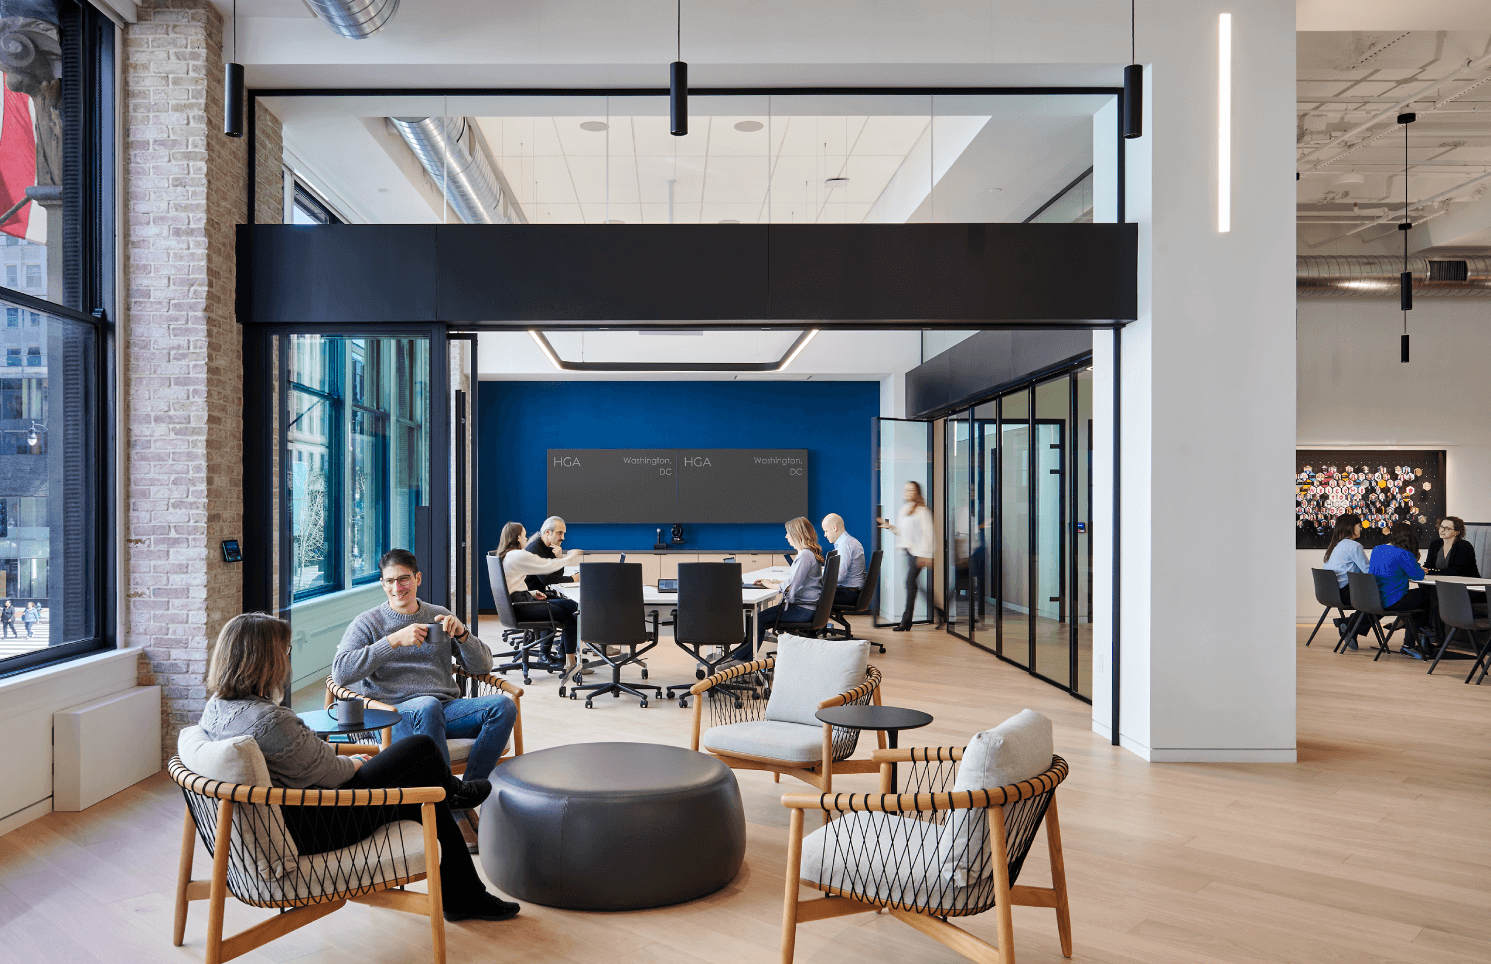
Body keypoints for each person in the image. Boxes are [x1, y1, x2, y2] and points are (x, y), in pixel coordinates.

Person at [198, 612, 519, 922]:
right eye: (285, 651)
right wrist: (354, 761)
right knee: (419, 751)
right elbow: (332, 772)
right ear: (264, 661)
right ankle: (456, 798)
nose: (287, 658)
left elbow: (307, 763)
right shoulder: (270, 721)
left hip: (295, 815)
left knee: (427, 790)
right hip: (320, 823)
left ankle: (461, 880)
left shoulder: (218, 709)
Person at [333, 549, 517, 784]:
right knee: (428, 705)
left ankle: (468, 790)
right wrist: (393, 641)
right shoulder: (368, 622)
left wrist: (462, 634)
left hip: (444, 710)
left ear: (417, 578)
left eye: (403, 579)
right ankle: (445, 796)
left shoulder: (438, 615)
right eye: (390, 581)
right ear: (382, 584)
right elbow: (340, 673)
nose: (397, 587)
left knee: (503, 706)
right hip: (393, 715)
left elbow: (482, 666)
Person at [495, 521, 585, 681]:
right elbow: (545, 566)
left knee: (571, 606)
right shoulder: (517, 555)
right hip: (522, 607)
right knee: (572, 612)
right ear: (517, 537)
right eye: (524, 535)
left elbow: (511, 585)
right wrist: (569, 557)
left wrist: (532, 592)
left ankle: (567, 659)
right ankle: (570, 663)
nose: (526, 538)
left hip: (519, 603)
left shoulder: (508, 555)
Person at [730, 517, 826, 662]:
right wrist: (772, 582)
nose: (786, 536)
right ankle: (741, 659)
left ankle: (739, 660)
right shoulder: (808, 554)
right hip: (807, 608)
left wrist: (770, 585)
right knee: (756, 618)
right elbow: (797, 582)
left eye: (788, 533)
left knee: (757, 619)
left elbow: (791, 587)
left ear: (797, 534)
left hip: (801, 610)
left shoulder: (805, 556)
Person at [878, 481, 942, 632]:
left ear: (917, 492)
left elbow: (929, 535)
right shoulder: (904, 510)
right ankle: (939, 612)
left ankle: (906, 621)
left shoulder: (923, 510)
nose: (908, 492)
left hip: (919, 553)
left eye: (911, 490)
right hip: (908, 552)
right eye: (906, 489)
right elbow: (902, 532)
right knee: (913, 586)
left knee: (910, 583)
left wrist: (926, 555)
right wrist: (890, 527)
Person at [1368, 522, 1430, 658]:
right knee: (1426, 595)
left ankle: (1413, 631)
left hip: (1376, 599)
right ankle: (1423, 631)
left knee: (1418, 604)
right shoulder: (1403, 554)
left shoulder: (1377, 549)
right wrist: (1418, 567)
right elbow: (1418, 576)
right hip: (1393, 600)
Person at [1322, 513, 1369, 646]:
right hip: (1345, 594)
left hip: (1331, 594)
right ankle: (1349, 625)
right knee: (1379, 599)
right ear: (1350, 527)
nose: (1361, 528)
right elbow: (1368, 571)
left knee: (1374, 599)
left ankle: (1349, 625)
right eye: (1359, 525)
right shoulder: (1354, 546)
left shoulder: (1335, 546)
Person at [820, 513, 867, 606]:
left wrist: (814, 579)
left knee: (809, 595)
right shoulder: (848, 542)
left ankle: (814, 620)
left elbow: (838, 576)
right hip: (850, 590)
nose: (825, 535)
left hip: (848, 593)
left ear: (834, 528)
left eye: (826, 531)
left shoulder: (845, 545)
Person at [523, 516, 577, 593]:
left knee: (571, 603)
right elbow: (546, 579)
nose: (563, 538)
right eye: (559, 533)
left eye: (563, 533)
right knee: (571, 604)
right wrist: (573, 578)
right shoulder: (535, 549)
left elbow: (558, 576)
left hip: (540, 595)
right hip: (531, 598)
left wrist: (559, 558)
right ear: (547, 532)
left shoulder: (551, 547)